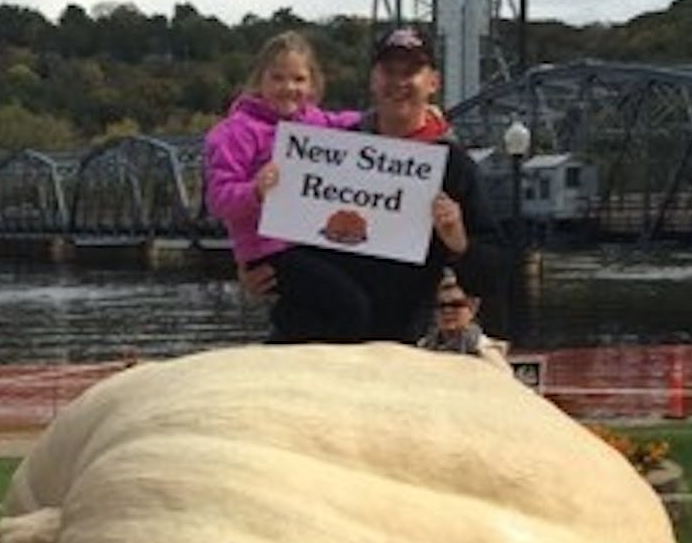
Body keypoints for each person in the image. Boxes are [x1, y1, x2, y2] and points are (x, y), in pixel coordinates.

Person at [239, 26, 506, 344]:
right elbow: (262, 216)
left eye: (411, 72)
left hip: (391, 351)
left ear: (433, 82)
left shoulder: (453, 166)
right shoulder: (326, 146)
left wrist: (459, 241)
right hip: (301, 340)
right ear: (373, 79)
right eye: (388, 71)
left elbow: (494, 275)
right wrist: (248, 269)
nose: (398, 82)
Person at [203, 31, 372, 342]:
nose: (288, 88)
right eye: (278, 78)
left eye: (298, 79)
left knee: (312, 313)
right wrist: (255, 191)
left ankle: (281, 355)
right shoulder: (236, 132)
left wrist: (395, 116)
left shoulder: (314, 121)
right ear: (260, 80)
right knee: (351, 308)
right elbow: (218, 199)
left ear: (312, 84)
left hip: (309, 241)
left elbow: (349, 123)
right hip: (268, 251)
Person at [418, 270, 510, 370]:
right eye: (441, 305)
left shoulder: (484, 349)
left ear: (473, 309)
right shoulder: (424, 346)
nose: (447, 311)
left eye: (456, 305)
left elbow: (505, 379)